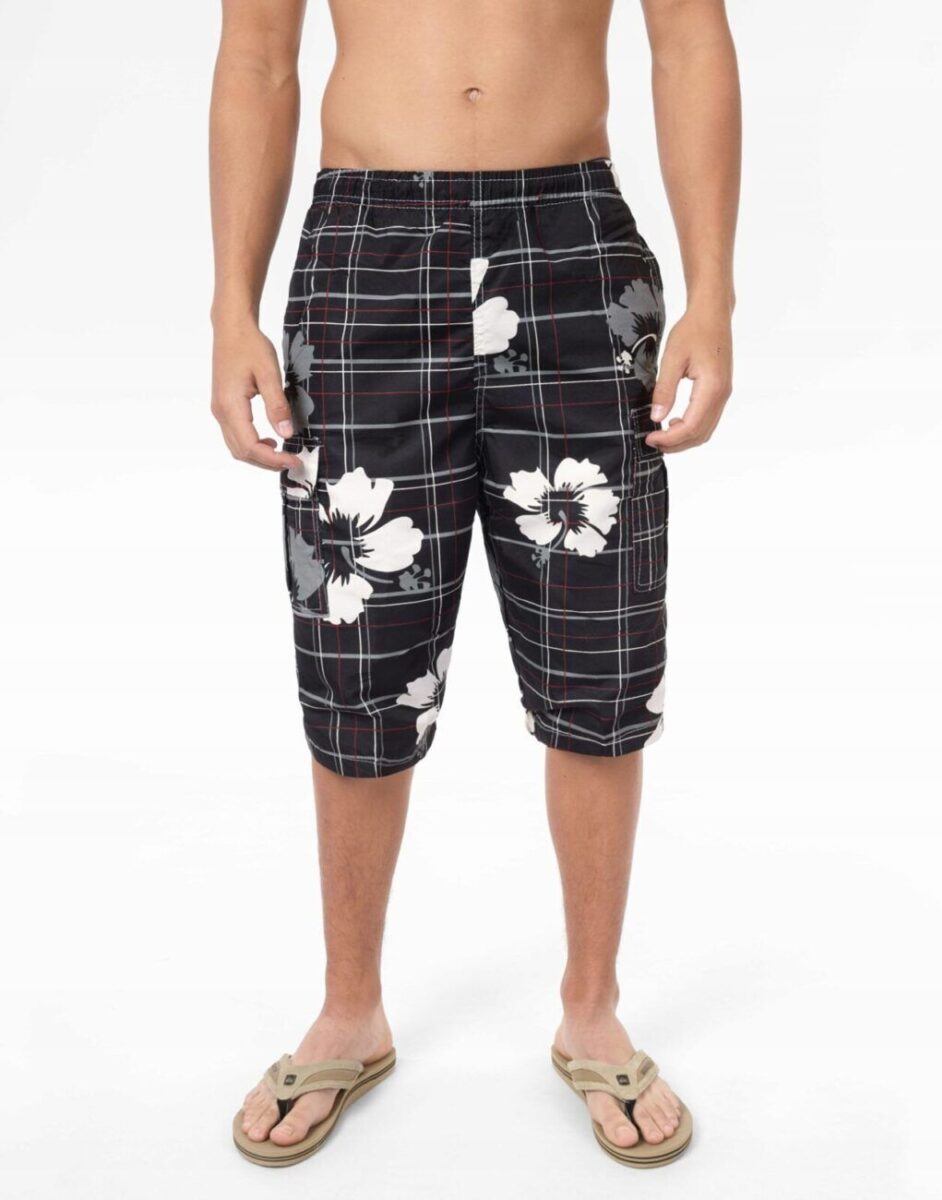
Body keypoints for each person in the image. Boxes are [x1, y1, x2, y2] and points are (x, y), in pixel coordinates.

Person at [210, 0, 739, 1170]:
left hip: (571, 238)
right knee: (356, 651)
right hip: (364, 245)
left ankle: (591, 1009)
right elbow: (256, 57)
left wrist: (715, 293)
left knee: (598, 652)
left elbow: (689, 40)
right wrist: (228, 310)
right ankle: (350, 1009)